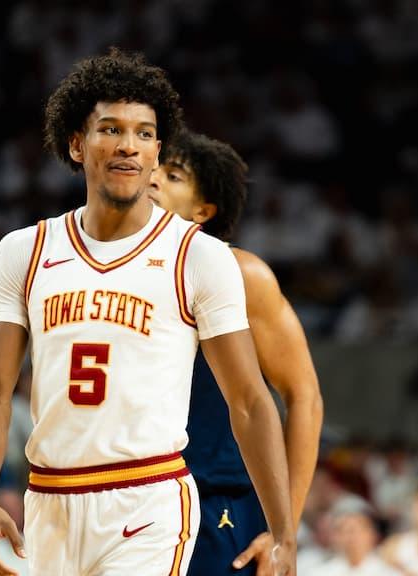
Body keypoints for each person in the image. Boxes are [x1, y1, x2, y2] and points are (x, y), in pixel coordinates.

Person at [0, 48, 297, 576]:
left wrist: (283, 533)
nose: (128, 145)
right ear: (77, 144)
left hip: (147, 499)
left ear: (157, 150)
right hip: (49, 500)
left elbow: (251, 400)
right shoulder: (23, 250)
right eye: (111, 129)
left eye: (144, 134)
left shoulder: (200, 257)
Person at [147, 129, 323, 575]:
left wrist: (285, 531)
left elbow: (304, 396)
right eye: (152, 168)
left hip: (216, 504)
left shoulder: (240, 273)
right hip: (125, 498)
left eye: (172, 175)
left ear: (202, 211)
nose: (152, 178)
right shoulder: (103, 274)